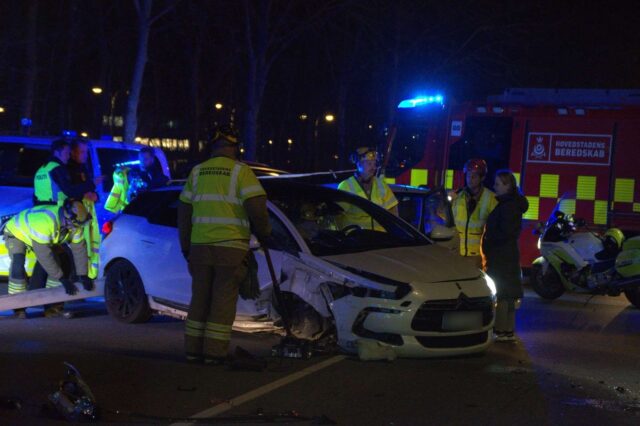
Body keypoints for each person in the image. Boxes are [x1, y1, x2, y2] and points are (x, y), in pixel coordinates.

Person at [177, 126, 271, 364]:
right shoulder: (241, 171)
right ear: (234, 147)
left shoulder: (197, 172)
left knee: (199, 298)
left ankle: (193, 351)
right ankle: (214, 354)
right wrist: (264, 234)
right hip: (230, 247)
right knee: (222, 301)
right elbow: (257, 207)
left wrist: (185, 245)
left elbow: (184, 212)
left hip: (199, 247)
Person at [3, 199, 94, 318]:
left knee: (60, 262)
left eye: (79, 225)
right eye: (74, 224)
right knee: (18, 263)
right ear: (66, 218)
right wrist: (62, 278)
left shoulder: (75, 224)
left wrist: (83, 275)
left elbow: (79, 249)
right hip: (16, 233)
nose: (76, 228)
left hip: (44, 235)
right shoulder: (45, 222)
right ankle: (18, 309)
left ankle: (52, 308)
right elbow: (44, 256)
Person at [482, 170, 529, 342]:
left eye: (498, 184)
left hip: (501, 255)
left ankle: (501, 330)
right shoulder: (512, 204)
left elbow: (503, 232)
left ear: (508, 186)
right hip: (507, 254)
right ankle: (508, 330)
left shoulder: (507, 206)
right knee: (509, 294)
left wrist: (490, 241)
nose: (494, 187)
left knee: (502, 293)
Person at [450, 159, 498, 269]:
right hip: (457, 254)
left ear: (482, 178)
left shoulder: (491, 198)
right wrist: (447, 202)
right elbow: (444, 218)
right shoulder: (458, 196)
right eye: (468, 176)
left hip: (478, 257)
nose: (469, 180)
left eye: (474, 177)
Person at [337, 147, 398, 230]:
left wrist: (394, 231)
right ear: (359, 164)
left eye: (374, 164)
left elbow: (393, 211)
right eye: (369, 164)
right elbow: (337, 214)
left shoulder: (381, 184)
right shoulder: (345, 186)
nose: (373, 167)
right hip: (356, 239)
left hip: (380, 239)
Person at [67, 139, 102, 279]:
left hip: (86, 215)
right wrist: (85, 193)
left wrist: (95, 195)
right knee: (77, 247)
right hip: (76, 215)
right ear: (73, 152)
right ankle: (78, 277)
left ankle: (87, 275)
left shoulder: (83, 168)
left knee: (88, 245)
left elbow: (89, 188)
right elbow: (71, 190)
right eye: (82, 152)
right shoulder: (69, 169)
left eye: (86, 152)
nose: (85, 155)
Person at [33, 138, 102, 206]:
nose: (68, 156)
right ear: (57, 152)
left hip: (42, 210)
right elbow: (70, 191)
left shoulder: (42, 169)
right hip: (56, 210)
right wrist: (93, 183)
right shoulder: (58, 168)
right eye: (66, 153)